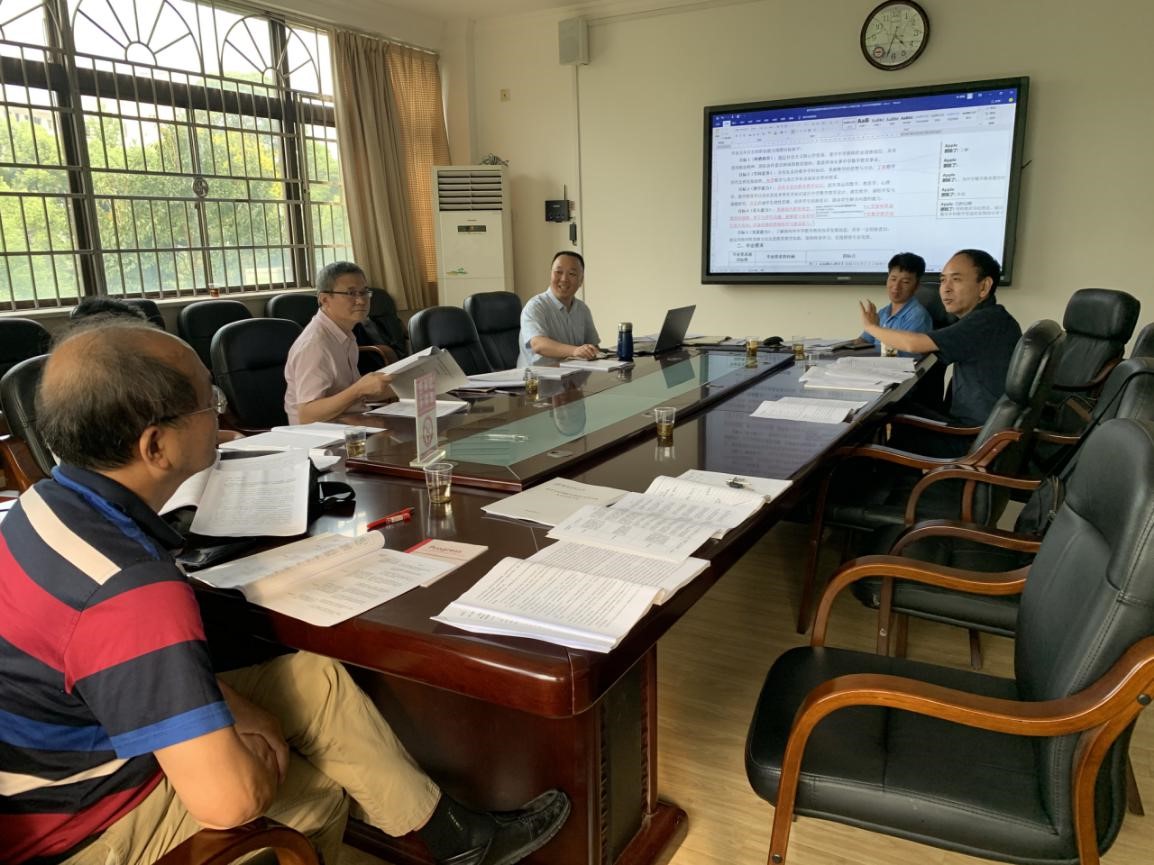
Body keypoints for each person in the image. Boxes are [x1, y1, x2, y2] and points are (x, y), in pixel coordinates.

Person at [0, 319, 571, 865]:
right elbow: (229, 804)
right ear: (155, 447)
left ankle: (455, 838)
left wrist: (246, 713)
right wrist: (248, 749)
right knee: (315, 796)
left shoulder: (38, 506)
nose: (219, 413)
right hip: (79, 829)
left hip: (65, 747)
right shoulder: (132, 590)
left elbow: (116, 665)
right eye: (208, 402)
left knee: (310, 678)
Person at [860, 248, 1021, 429]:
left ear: (984, 287)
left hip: (968, 434)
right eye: (943, 280)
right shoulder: (993, 318)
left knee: (882, 413)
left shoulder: (985, 322)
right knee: (894, 408)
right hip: (973, 426)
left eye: (956, 279)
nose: (945, 288)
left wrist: (871, 327)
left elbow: (915, 344)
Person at [284, 261, 396, 424]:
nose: (361, 301)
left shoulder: (344, 333)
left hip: (352, 422)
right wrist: (358, 389)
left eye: (364, 292)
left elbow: (349, 394)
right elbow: (306, 415)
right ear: (325, 299)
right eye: (351, 293)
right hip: (321, 435)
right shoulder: (314, 344)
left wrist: (409, 385)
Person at [518, 251, 600, 366]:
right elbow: (538, 345)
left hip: (572, 374)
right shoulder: (535, 306)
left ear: (581, 280)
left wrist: (592, 352)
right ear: (551, 275)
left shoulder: (582, 309)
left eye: (572, 274)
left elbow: (593, 346)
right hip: (537, 376)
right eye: (558, 272)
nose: (564, 279)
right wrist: (575, 351)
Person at [855, 252, 933, 355]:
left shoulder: (917, 316)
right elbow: (864, 341)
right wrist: (843, 347)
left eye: (905, 282)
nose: (896, 286)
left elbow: (902, 357)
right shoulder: (883, 312)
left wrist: (872, 327)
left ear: (916, 286)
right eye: (893, 279)